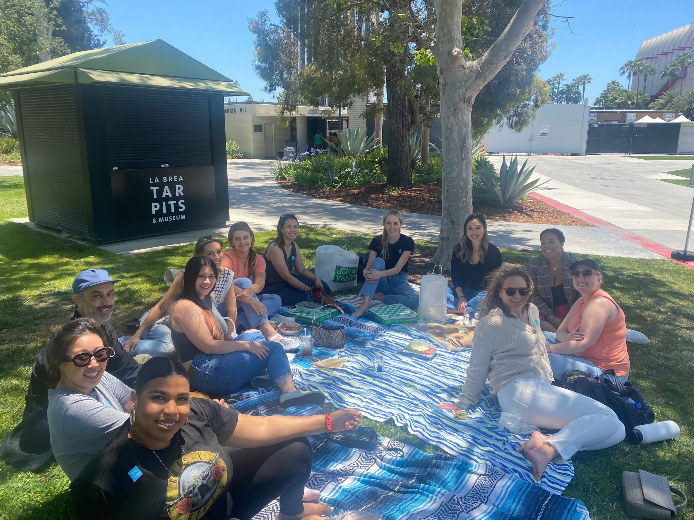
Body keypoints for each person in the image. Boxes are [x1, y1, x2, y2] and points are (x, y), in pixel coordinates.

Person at [71, 357, 362, 520]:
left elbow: (263, 429)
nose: (172, 411)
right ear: (134, 399)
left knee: (295, 450)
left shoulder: (198, 412)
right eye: (158, 398)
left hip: (225, 501)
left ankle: (291, 513)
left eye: (181, 399)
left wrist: (326, 422)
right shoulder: (102, 484)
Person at [443, 264, 624, 481]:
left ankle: (546, 442)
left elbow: (539, 349)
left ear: (530, 290)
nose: (517, 295)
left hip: (539, 391)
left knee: (618, 431)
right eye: (510, 291)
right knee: (608, 418)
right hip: (517, 390)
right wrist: (464, 402)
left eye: (523, 290)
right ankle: (548, 448)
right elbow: (477, 366)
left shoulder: (532, 311)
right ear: (499, 292)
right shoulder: (490, 324)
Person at [0, 269, 140, 472]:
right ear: (78, 301)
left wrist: (158, 379)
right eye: (97, 295)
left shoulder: (101, 329)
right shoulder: (67, 347)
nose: (107, 302)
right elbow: (64, 401)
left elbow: (127, 368)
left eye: (110, 294)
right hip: (56, 418)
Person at [169, 255, 324, 406]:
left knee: (256, 335)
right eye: (201, 276)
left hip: (210, 362)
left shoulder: (205, 297)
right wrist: (246, 345)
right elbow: (209, 346)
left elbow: (217, 339)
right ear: (190, 278)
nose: (207, 281)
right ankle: (290, 393)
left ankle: (261, 375)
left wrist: (244, 338)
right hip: (203, 373)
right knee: (273, 348)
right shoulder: (186, 306)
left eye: (211, 276)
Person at [123, 236, 238, 356]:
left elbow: (232, 310)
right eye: (210, 253)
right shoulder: (185, 276)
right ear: (199, 256)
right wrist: (137, 334)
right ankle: (122, 345)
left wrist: (229, 336)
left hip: (191, 323)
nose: (216, 257)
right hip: (162, 321)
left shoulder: (227, 275)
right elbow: (162, 306)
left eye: (219, 252)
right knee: (170, 349)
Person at [47, 318, 132, 480]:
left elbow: (135, 403)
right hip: (113, 493)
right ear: (60, 364)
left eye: (101, 354)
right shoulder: (70, 408)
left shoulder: (97, 379)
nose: (94, 364)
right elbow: (147, 430)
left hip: (128, 467)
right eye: (81, 358)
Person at [545, 259, 630, 383]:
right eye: (575, 273)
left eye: (586, 273)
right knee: (542, 335)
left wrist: (549, 349)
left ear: (599, 279)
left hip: (605, 372)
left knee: (539, 357)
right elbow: (560, 331)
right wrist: (568, 337)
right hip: (581, 356)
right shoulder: (581, 301)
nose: (580, 277)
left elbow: (582, 344)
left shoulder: (599, 303)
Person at [352, 210, 419, 317]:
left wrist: (380, 274)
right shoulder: (376, 241)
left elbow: (397, 269)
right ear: (384, 224)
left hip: (398, 279)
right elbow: (368, 266)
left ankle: (379, 297)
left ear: (401, 224)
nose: (392, 227)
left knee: (415, 299)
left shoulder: (407, 241)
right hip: (380, 281)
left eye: (395, 223)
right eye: (388, 223)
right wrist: (366, 272)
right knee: (378, 261)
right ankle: (364, 306)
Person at [221, 222, 281, 338]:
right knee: (245, 282)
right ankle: (265, 327)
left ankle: (238, 322)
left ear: (251, 238)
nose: (242, 242)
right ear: (232, 242)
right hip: (228, 303)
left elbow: (260, 282)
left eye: (245, 237)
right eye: (237, 239)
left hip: (246, 304)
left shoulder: (258, 259)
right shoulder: (226, 257)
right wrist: (251, 300)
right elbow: (226, 283)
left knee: (275, 299)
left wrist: (251, 291)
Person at [261, 214, 332, 307]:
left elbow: (301, 270)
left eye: (295, 227)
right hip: (273, 286)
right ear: (281, 229)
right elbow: (286, 276)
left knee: (323, 286)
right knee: (302, 296)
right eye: (289, 227)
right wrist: (307, 289)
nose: (293, 230)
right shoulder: (275, 248)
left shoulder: (294, 245)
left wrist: (316, 278)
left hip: (288, 281)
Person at [526, 228, 581, 332]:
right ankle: (560, 339)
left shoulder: (576, 264)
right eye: (543, 243)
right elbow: (532, 293)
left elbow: (583, 294)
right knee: (535, 321)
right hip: (545, 314)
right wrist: (550, 317)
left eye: (551, 242)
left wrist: (571, 318)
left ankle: (562, 340)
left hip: (574, 312)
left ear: (561, 243)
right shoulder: (534, 264)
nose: (546, 246)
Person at [448, 213, 502, 313]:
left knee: (482, 300)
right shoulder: (459, 250)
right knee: (439, 292)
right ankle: (467, 310)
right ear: (466, 230)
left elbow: (495, 282)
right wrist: (461, 297)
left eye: (478, 228)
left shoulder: (493, 252)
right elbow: (456, 276)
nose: (474, 232)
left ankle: (455, 310)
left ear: (484, 228)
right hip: (462, 292)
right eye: (470, 228)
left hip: (481, 293)